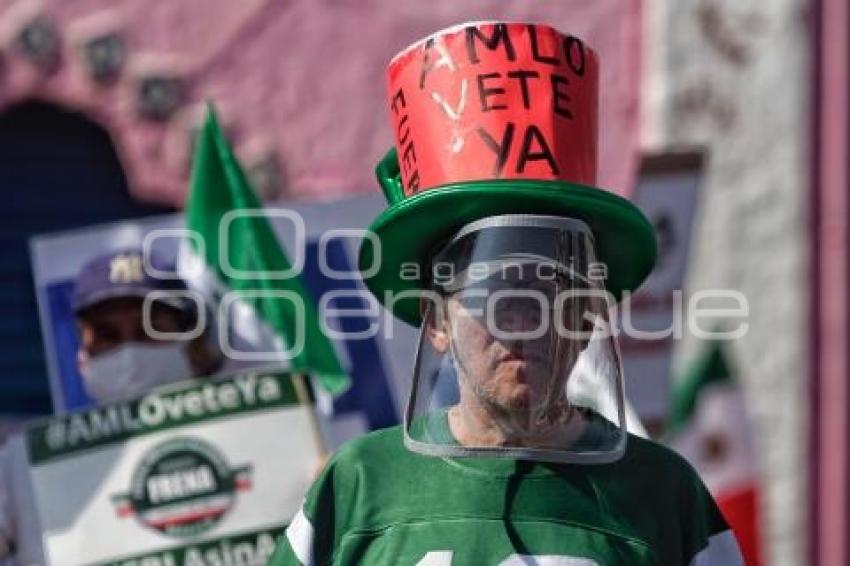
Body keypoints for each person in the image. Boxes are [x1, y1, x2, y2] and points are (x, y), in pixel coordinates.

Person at [271, 22, 744, 565]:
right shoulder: (357, 488)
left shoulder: (665, 497)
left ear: (588, 317)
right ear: (437, 321)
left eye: (556, 294)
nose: (528, 321)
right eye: (495, 295)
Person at [0, 248, 221, 564]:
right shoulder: (20, 469)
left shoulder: (272, 432)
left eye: (149, 330)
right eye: (106, 335)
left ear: (194, 345)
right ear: (81, 357)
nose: (129, 349)